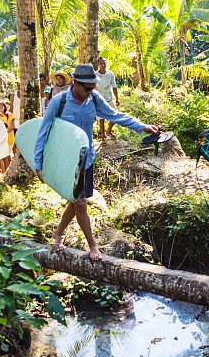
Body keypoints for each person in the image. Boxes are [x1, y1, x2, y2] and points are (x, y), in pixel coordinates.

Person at [35, 63, 160, 261]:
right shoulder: (59, 102)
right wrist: (38, 163)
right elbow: (42, 132)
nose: (91, 91)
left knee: (75, 199)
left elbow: (114, 115)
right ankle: (92, 245)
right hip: (65, 159)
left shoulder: (93, 98)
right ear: (75, 83)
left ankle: (58, 232)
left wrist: (142, 126)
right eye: (87, 88)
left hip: (86, 159)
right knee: (80, 202)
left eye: (93, 87)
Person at [95, 57, 119, 139]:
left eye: (104, 63)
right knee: (101, 119)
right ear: (98, 64)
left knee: (115, 115)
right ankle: (103, 137)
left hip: (108, 99)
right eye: (101, 63)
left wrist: (117, 98)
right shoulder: (95, 75)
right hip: (99, 100)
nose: (103, 65)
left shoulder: (110, 74)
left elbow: (114, 87)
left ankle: (108, 131)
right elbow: (92, 88)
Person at [0, 99, 17, 164]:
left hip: (9, 138)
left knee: (7, 154)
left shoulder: (9, 115)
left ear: (4, 107)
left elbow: (12, 126)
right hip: (1, 139)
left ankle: (9, 167)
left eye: (1, 107)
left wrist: (6, 132)